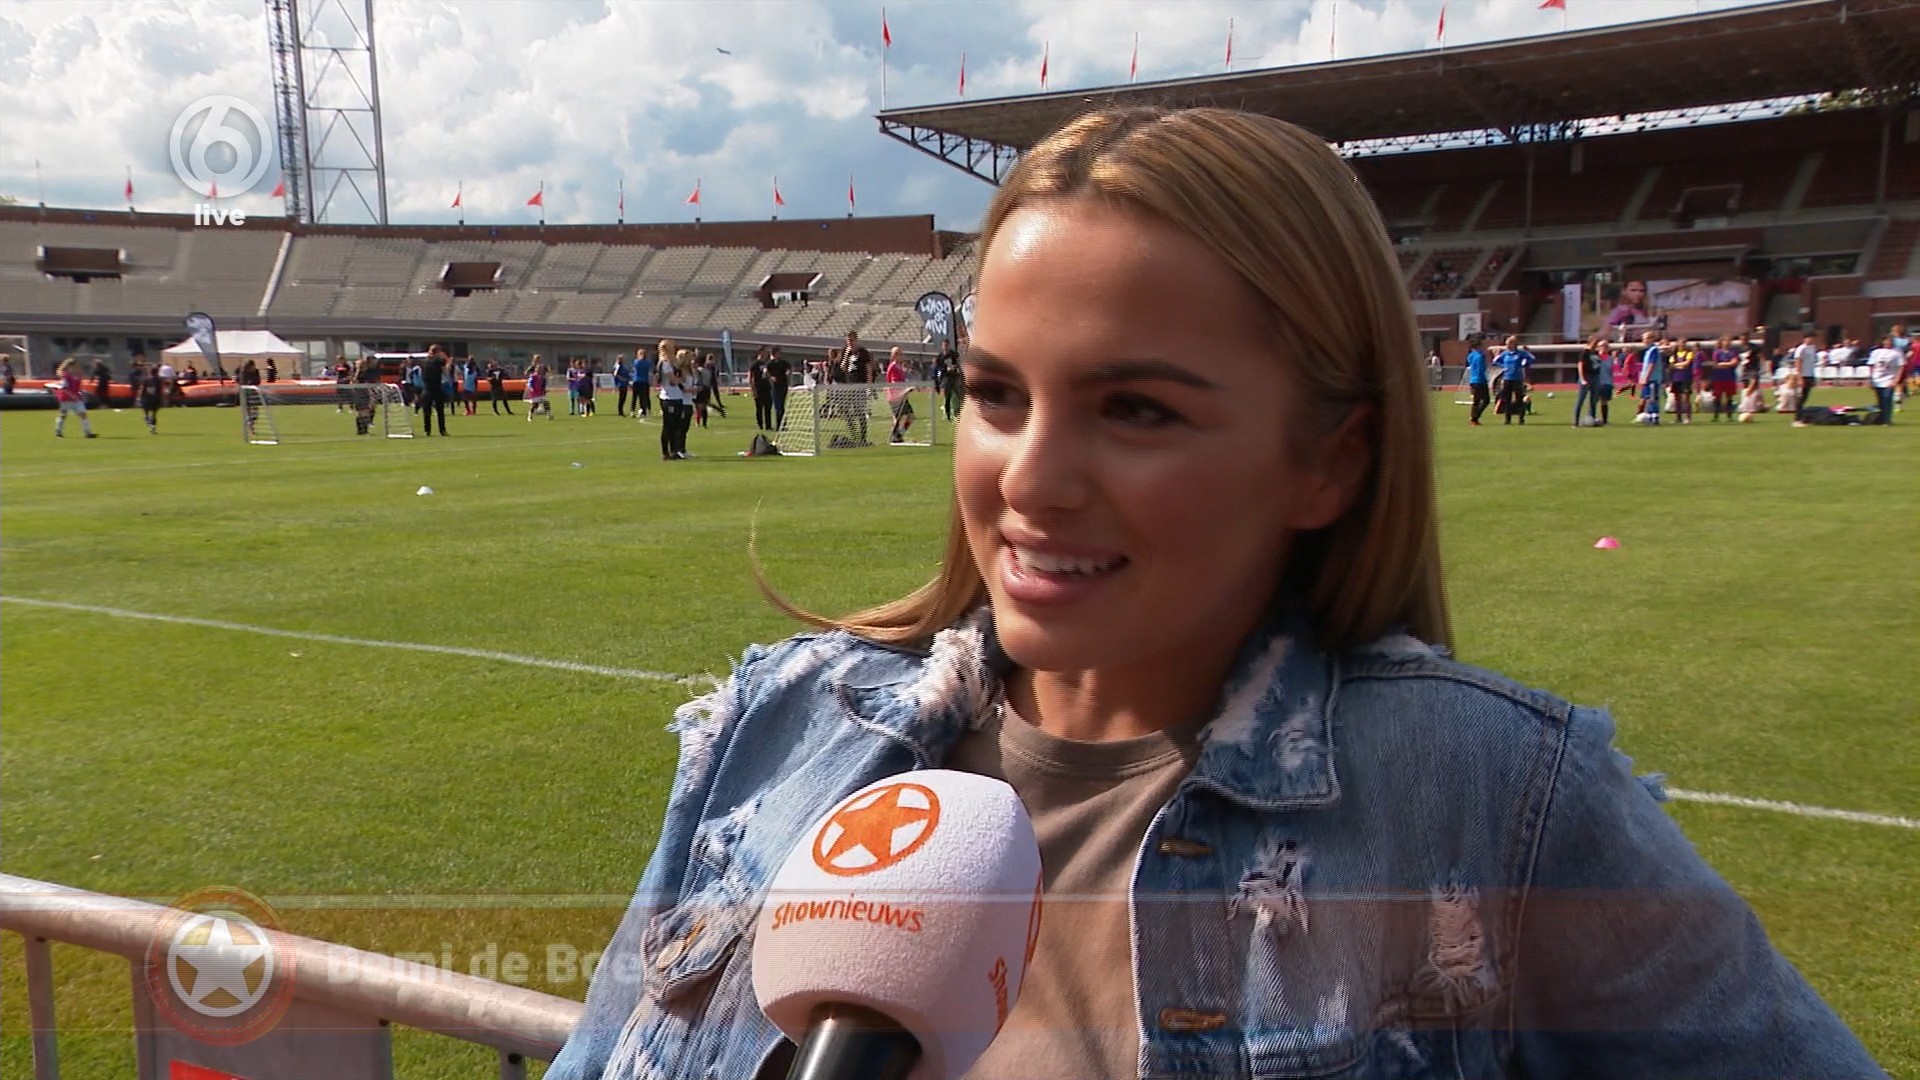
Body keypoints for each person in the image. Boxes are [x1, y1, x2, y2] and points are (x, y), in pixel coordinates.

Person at [549, 106, 1888, 1080]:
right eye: (997, 394)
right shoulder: (785, 725)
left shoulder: (1491, 799)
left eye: (1136, 409)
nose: (1032, 479)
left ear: (1329, 458)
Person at [658, 347, 694, 460]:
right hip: (669, 398)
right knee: (668, 426)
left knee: (675, 426)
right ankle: (666, 452)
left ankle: (674, 451)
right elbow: (673, 381)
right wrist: (680, 379)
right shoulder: (665, 363)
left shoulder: (673, 365)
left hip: (677, 397)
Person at [52, 358, 98, 438]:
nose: (77, 367)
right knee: (63, 415)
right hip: (66, 398)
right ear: (70, 366)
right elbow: (64, 388)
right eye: (75, 366)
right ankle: (58, 432)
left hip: (76, 398)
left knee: (83, 414)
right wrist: (72, 395)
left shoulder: (78, 375)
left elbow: (77, 387)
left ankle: (88, 433)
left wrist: (81, 393)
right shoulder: (65, 376)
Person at [1494, 335, 1532, 425]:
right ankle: (1507, 419)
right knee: (1507, 399)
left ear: (1514, 344)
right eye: (1506, 344)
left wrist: (1526, 359)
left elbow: (1531, 359)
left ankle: (1521, 419)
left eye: (1508, 344)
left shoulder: (1520, 353)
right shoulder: (1505, 354)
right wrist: (1504, 366)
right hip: (1507, 378)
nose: (1507, 346)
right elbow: (1496, 361)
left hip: (1517, 379)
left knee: (1519, 399)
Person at [1573, 338, 1612, 426]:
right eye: (1594, 343)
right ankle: (1576, 421)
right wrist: (1582, 379)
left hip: (1595, 377)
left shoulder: (1595, 353)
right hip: (1587, 376)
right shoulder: (1585, 352)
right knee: (1581, 399)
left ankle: (1592, 419)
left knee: (1594, 400)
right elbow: (1580, 365)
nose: (1596, 345)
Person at [1867, 335, 1903, 425]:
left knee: (1887, 398)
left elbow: (1901, 367)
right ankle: (1882, 418)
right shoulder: (1876, 352)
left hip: (1889, 379)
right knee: (1881, 400)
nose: (1888, 343)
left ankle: (1887, 420)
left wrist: (1896, 380)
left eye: (1890, 341)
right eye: (1886, 341)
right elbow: (1871, 365)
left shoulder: (1897, 353)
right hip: (1877, 379)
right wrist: (1870, 379)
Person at [418, 345, 450, 436]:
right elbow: (445, 372)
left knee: (426, 411)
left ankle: (427, 430)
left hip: (426, 388)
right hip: (436, 387)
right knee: (440, 410)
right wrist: (448, 361)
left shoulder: (423, 362)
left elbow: (421, 374)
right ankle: (442, 430)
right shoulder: (439, 361)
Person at [885, 345, 914, 442]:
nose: (900, 356)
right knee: (898, 417)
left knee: (910, 416)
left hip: (902, 396)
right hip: (895, 397)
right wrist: (906, 389)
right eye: (897, 354)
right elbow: (894, 383)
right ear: (893, 356)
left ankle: (898, 435)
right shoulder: (893, 367)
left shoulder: (899, 367)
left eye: (901, 354)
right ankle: (894, 436)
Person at [1637, 332, 1667, 424]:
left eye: (1645, 338)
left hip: (1652, 379)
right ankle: (1650, 416)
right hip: (1649, 379)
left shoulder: (1654, 350)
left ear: (1651, 339)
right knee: (1648, 398)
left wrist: (1646, 377)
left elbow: (1651, 364)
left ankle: (1654, 417)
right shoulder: (1648, 350)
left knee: (1652, 398)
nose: (1643, 340)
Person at [1463, 336, 1489, 425]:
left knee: (1476, 401)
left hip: (1472, 380)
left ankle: (1474, 419)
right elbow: (1482, 368)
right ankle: (1475, 417)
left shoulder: (1470, 355)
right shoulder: (1481, 356)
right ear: (1479, 346)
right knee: (1486, 400)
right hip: (1480, 380)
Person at [935, 337, 963, 421]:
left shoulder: (953, 354)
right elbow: (938, 368)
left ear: (949, 345)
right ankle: (948, 415)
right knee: (948, 397)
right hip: (946, 378)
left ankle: (960, 413)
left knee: (959, 395)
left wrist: (955, 367)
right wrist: (945, 369)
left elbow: (959, 363)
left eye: (946, 345)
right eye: (944, 346)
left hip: (955, 377)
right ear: (942, 346)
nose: (945, 347)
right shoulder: (940, 357)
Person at [749, 346, 774, 431]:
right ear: (760, 352)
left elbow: (767, 374)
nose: (767, 354)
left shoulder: (766, 363)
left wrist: (771, 379)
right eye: (765, 352)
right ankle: (760, 424)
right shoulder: (755, 364)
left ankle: (768, 425)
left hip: (766, 387)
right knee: (759, 407)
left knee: (768, 406)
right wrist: (753, 390)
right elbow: (751, 377)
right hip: (759, 388)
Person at [137, 359, 165, 433]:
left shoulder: (146, 379)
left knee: (147, 411)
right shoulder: (158, 380)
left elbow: (141, 389)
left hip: (146, 399)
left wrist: (139, 397)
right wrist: (162, 398)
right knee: (154, 414)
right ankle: (152, 427)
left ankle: (146, 417)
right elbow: (161, 390)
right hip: (155, 399)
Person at [767, 345, 791, 430]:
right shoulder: (770, 363)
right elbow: (766, 372)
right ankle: (779, 425)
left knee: (782, 406)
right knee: (777, 406)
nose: (779, 354)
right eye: (778, 353)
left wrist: (788, 372)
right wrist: (771, 377)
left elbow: (789, 368)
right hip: (775, 387)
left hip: (783, 386)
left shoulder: (783, 362)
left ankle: (783, 425)